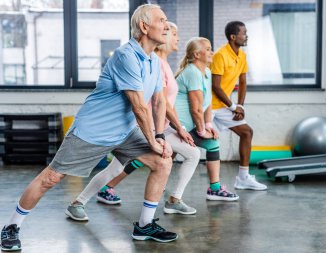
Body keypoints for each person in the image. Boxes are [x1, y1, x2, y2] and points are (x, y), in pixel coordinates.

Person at [1, 4, 178, 251]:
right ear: (144, 26)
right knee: (51, 177)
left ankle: (145, 226)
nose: (167, 26)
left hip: (124, 131)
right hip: (92, 131)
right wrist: (152, 141)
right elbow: (140, 106)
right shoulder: (125, 55)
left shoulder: (153, 61)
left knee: (162, 161)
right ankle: (11, 227)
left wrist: (159, 136)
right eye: (162, 20)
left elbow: (158, 100)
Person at [64, 21, 201, 220]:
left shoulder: (163, 63)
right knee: (190, 154)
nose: (177, 37)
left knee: (118, 168)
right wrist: (173, 129)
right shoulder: (156, 63)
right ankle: (171, 202)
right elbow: (158, 103)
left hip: (159, 129)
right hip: (149, 129)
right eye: (173, 33)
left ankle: (79, 202)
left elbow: (164, 103)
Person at [175, 37, 239, 201]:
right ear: (197, 54)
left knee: (212, 144)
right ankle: (108, 186)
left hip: (188, 126)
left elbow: (207, 103)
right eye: (208, 49)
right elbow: (195, 109)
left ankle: (215, 189)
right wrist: (202, 131)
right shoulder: (192, 72)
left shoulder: (206, 72)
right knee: (152, 157)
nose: (212, 52)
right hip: (178, 126)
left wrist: (208, 124)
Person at [210, 21, 267, 191]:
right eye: (243, 33)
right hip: (208, 105)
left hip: (223, 106)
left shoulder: (242, 56)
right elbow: (215, 86)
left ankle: (243, 178)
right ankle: (162, 170)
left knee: (247, 132)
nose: (246, 35)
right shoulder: (220, 55)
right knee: (186, 140)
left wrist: (240, 107)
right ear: (233, 37)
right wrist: (233, 107)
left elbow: (242, 82)